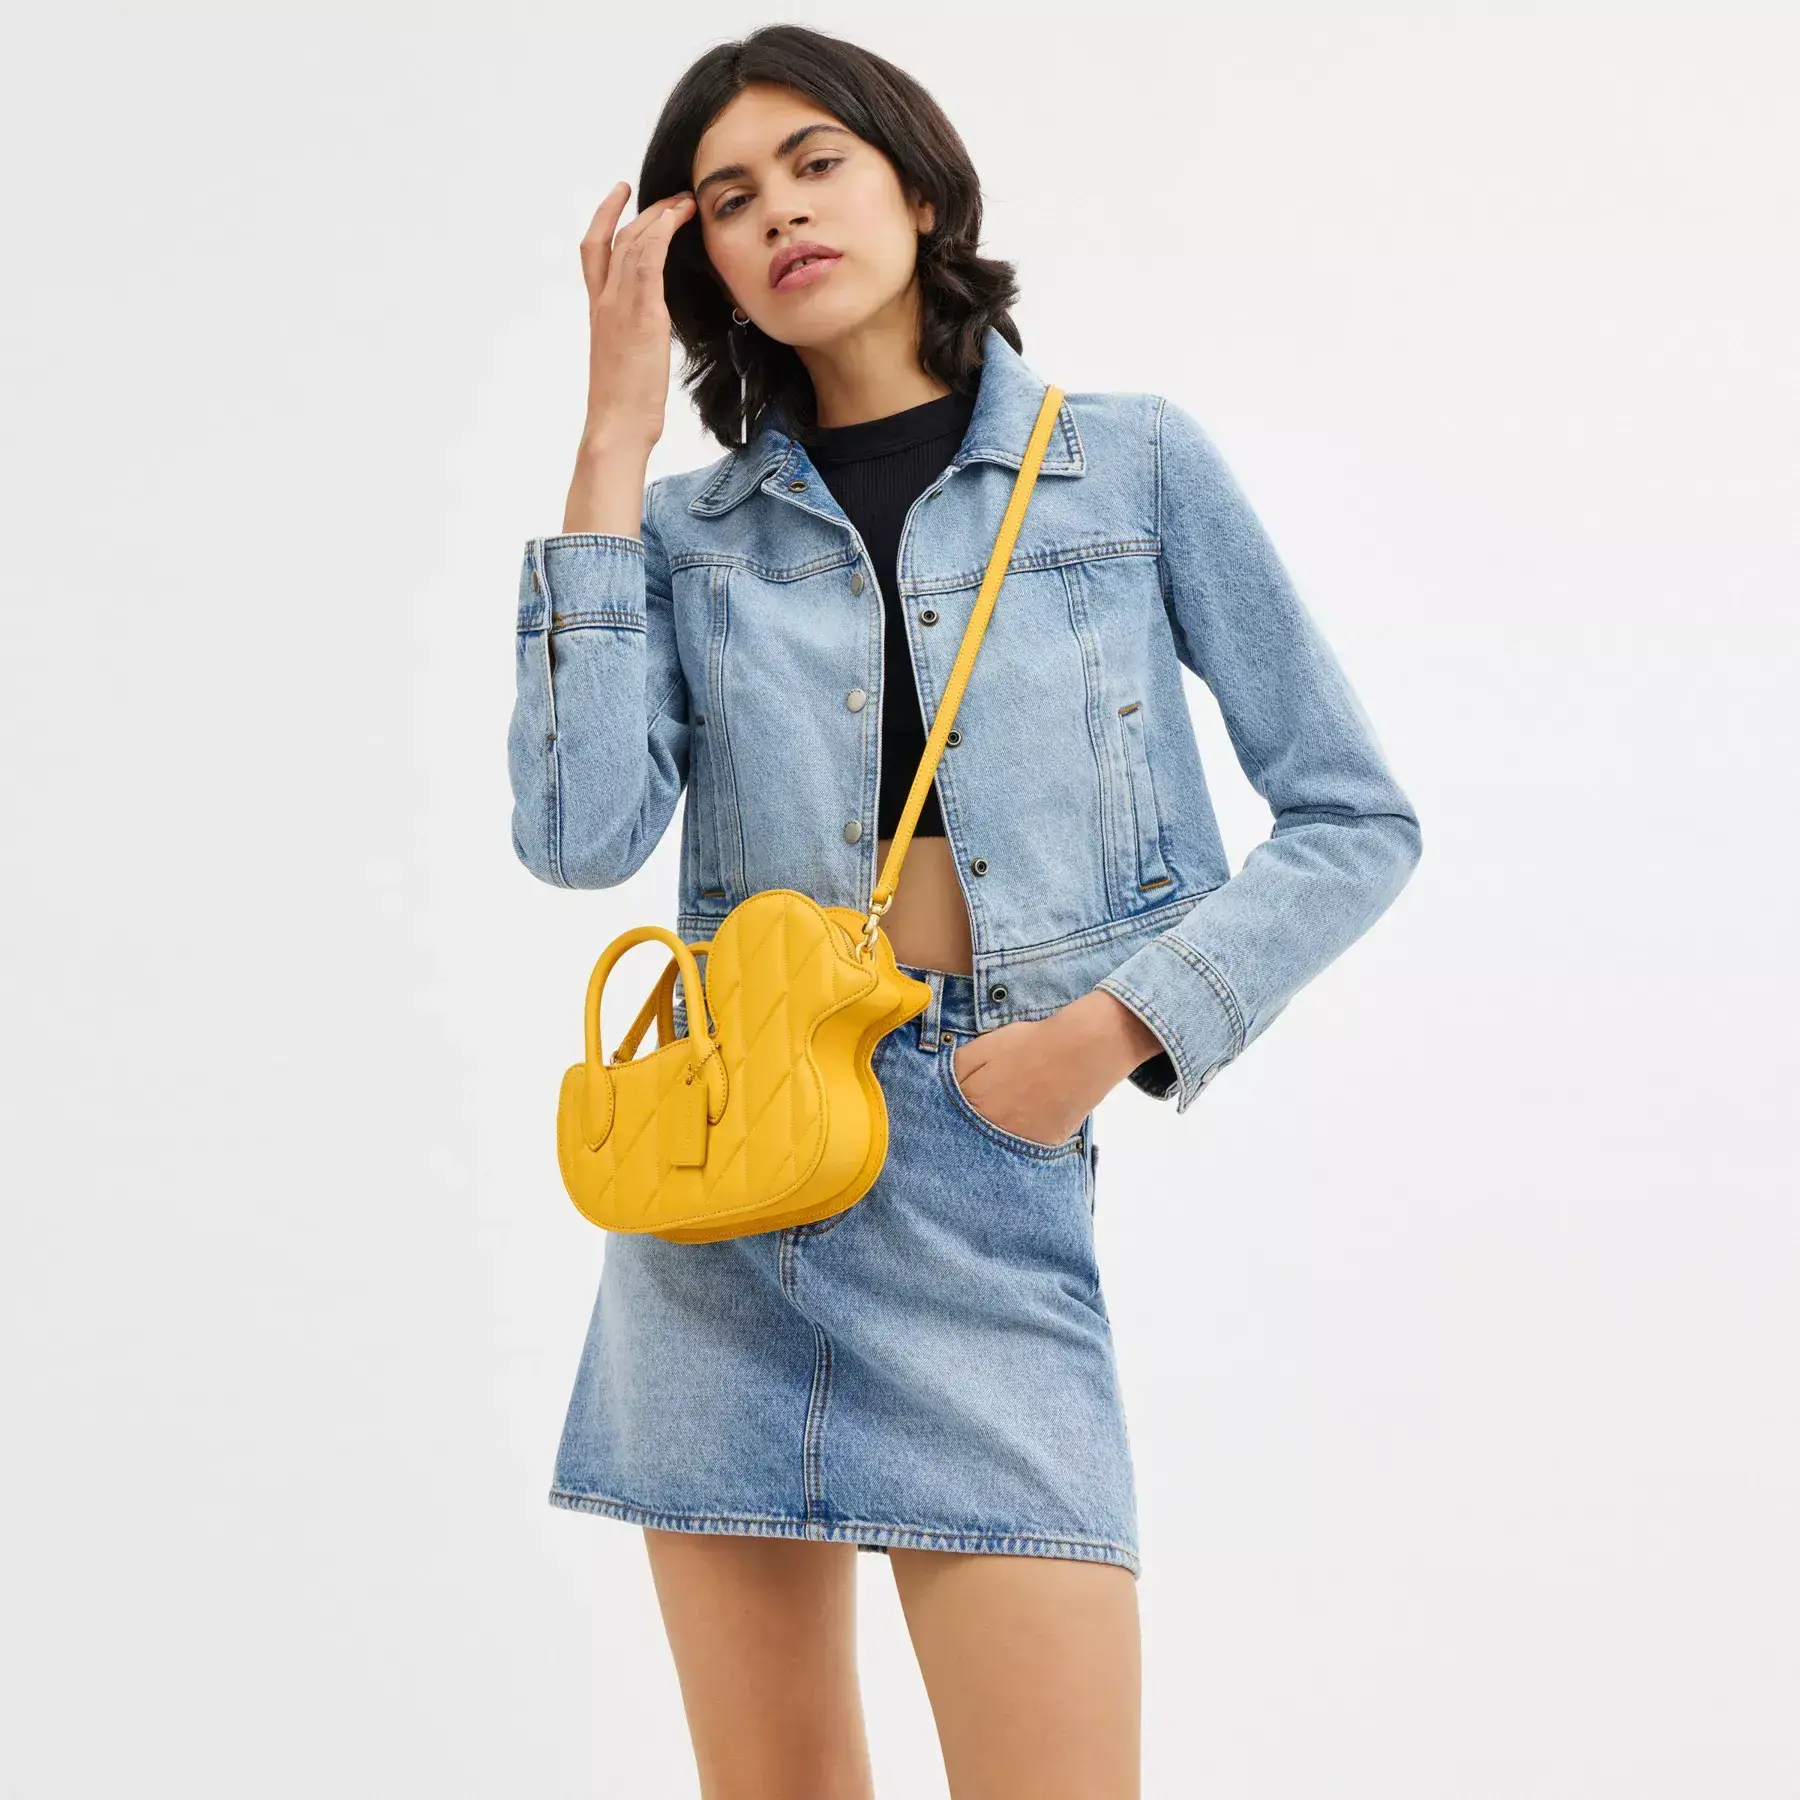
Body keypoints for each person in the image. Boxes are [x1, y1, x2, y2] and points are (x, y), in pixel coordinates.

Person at [506, 25, 1422, 1800]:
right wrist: (613, 439)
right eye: (729, 199)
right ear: (702, 263)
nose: (781, 214)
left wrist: (1108, 1036)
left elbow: (1354, 817)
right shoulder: (687, 537)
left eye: (816, 164)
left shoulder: (1130, 468)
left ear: (919, 189)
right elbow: (574, 835)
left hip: (990, 1163)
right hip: (728, 1186)